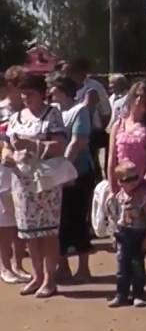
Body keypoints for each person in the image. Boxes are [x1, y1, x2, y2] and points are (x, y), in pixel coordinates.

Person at [1, 73, 67, 298]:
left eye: (30, 93)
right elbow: (7, 145)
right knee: (29, 233)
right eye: (23, 93)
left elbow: (60, 146)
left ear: (41, 94)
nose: (25, 97)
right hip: (21, 182)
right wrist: (8, 155)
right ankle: (37, 276)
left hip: (45, 183)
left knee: (48, 232)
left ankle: (50, 279)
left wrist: (32, 144)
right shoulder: (16, 117)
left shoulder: (52, 114)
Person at [107, 80, 146, 303]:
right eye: (138, 96)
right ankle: (126, 289)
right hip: (122, 186)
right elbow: (112, 156)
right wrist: (112, 184)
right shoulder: (118, 125)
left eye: (145, 97)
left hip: (144, 186)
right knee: (124, 238)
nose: (140, 101)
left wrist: (142, 181)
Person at [50, 76, 93, 282]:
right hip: (57, 175)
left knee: (77, 220)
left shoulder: (80, 110)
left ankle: (84, 268)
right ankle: (63, 266)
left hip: (79, 173)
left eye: (53, 89)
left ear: (63, 90)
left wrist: (64, 169)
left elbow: (78, 141)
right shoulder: (54, 111)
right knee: (59, 222)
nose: (50, 92)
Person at [104, 161, 146, 308]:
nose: (133, 182)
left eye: (135, 178)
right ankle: (121, 295)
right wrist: (113, 236)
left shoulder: (143, 196)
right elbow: (114, 218)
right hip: (123, 233)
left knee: (138, 266)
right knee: (122, 267)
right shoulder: (119, 197)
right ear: (120, 182)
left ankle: (138, 295)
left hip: (138, 234)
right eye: (127, 179)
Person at [0, 67, 33, 284]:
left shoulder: (28, 111)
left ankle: (18, 264)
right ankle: (4, 266)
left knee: (21, 219)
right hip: (3, 171)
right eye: (20, 86)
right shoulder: (2, 110)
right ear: (10, 86)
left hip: (24, 171)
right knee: (5, 221)